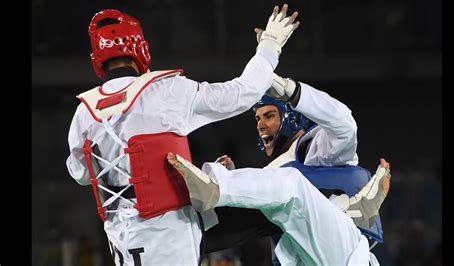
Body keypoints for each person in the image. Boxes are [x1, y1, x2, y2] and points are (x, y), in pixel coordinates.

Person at [66, 5, 300, 265]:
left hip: (123, 239)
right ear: (139, 48)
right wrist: (268, 48)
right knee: (279, 207)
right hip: (171, 233)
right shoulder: (166, 90)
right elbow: (242, 93)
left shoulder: (84, 112)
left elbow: (81, 174)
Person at [166, 72, 392, 265]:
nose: (260, 124)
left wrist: (293, 91)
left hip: (345, 255)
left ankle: (216, 188)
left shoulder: (318, 147)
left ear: (292, 117)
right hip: (303, 259)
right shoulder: (274, 172)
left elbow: (345, 125)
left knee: (291, 183)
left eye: (269, 115)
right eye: (257, 118)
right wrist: (234, 189)